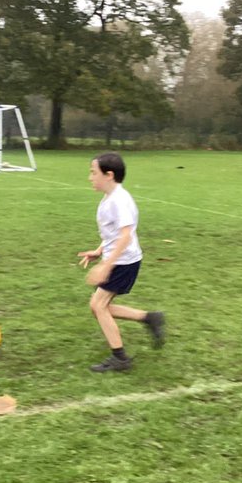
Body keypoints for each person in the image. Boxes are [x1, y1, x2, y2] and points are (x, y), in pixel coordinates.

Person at [76, 151, 166, 373]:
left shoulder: (120, 200)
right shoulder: (111, 198)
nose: (90, 177)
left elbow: (126, 235)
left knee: (98, 306)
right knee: (99, 306)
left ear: (108, 175)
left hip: (124, 262)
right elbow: (113, 234)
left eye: (93, 172)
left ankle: (120, 358)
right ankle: (149, 318)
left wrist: (106, 265)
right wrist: (98, 252)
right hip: (120, 259)